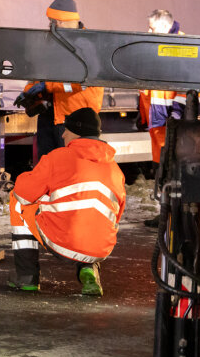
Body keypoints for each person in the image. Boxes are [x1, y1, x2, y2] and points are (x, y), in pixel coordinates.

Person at [8, 107, 126, 295]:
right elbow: (116, 215)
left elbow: (23, 194)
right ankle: (89, 271)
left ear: (78, 133)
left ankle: (27, 277)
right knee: (92, 215)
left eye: (67, 130)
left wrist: (25, 177)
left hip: (64, 244)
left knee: (16, 200)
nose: (63, 135)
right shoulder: (115, 169)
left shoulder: (58, 158)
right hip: (101, 249)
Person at [17, 0, 104, 159]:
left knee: (69, 165)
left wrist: (47, 87)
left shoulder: (87, 45)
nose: (50, 25)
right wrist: (29, 93)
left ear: (60, 21)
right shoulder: (57, 41)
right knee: (47, 164)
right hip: (52, 115)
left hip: (74, 119)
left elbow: (82, 81)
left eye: (51, 21)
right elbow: (41, 74)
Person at [139, 10, 186, 228]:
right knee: (162, 172)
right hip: (159, 125)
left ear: (165, 27)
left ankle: (175, 217)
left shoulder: (183, 48)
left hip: (171, 125)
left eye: (151, 27)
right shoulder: (160, 46)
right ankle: (165, 215)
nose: (148, 31)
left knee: (173, 172)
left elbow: (188, 86)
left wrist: (177, 112)